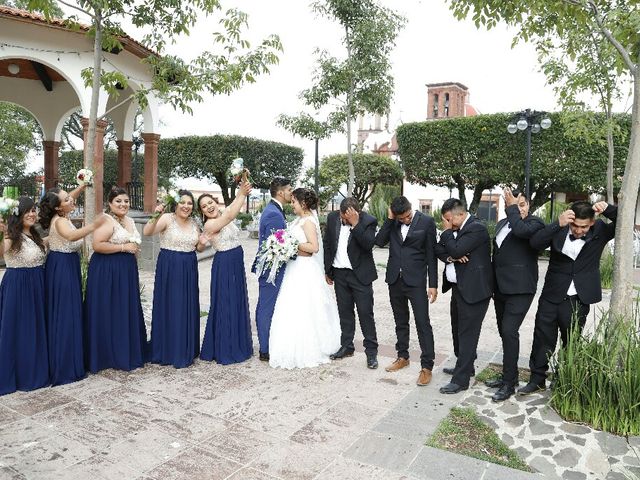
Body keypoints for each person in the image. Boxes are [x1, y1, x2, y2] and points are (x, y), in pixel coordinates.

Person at [519, 200, 617, 395]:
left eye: (583, 227)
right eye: (575, 226)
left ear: (592, 222)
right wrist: (558, 223)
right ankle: (537, 379)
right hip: (552, 293)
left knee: (571, 341)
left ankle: (563, 380)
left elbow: (625, 221)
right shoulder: (561, 227)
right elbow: (535, 243)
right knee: (542, 338)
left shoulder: (600, 230)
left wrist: (609, 209)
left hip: (579, 297)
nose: (578, 230)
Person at [269, 188, 341, 369]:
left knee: (305, 307)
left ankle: (307, 348)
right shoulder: (298, 220)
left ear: (303, 203)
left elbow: (314, 247)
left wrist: (290, 244)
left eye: (294, 202)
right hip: (294, 267)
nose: (291, 205)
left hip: (304, 268)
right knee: (291, 307)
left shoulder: (308, 221)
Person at [374, 196, 438, 386]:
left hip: (416, 281)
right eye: (401, 218)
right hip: (395, 279)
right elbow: (379, 241)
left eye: (407, 216)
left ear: (411, 209)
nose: (406, 220)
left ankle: (427, 366)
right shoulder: (394, 222)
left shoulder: (426, 222)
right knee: (400, 321)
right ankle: (403, 356)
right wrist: (390, 220)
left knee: (422, 323)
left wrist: (433, 284)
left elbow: (431, 254)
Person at [487, 189, 544, 402]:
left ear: (528, 206)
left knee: (510, 331)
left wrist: (513, 209)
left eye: (522, 204)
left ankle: (510, 384)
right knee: (504, 332)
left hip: (521, 289)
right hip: (500, 288)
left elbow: (520, 232)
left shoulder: (534, 224)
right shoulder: (502, 224)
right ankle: (507, 376)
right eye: (513, 204)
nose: (518, 208)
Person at [39, 185, 100, 385]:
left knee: (71, 311)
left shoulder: (61, 213)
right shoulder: (60, 222)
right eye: (67, 200)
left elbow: (66, 198)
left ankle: (71, 359)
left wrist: (82, 186)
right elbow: (73, 236)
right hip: (62, 269)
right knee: (65, 313)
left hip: (67, 265)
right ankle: (64, 366)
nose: (71, 200)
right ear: (58, 208)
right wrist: (94, 225)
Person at [84, 187, 147, 373]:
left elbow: (133, 244)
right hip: (107, 270)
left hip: (126, 271)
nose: (123, 204)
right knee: (107, 308)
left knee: (123, 308)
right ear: (110, 204)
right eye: (118, 201)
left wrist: (132, 252)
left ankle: (125, 349)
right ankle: (105, 354)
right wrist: (124, 248)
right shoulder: (106, 219)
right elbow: (97, 245)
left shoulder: (130, 220)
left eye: (126, 201)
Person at [144, 189, 206, 369]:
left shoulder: (195, 222)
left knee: (186, 306)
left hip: (189, 266)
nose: (186, 206)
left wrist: (202, 242)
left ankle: (185, 347)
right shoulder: (167, 218)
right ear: (176, 204)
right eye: (183, 202)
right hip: (169, 266)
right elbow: (147, 232)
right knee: (170, 305)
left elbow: (199, 248)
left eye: (189, 203)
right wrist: (156, 214)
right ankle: (168, 349)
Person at [435, 198, 492, 394]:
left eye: (450, 220)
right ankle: (465, 365)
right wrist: (452, 256)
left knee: (468, 335)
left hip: (475, 291)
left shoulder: (477, 228)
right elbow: (440, 249)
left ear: (460, 214)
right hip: (459, 288)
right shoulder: (456, 231)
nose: (448, 223)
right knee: (457, 330)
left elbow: (456, 247)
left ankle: (461, 381)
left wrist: (449, 236)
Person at [199, 180, 254, 365]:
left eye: (210, 203)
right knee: (225, 302)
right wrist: (242, 193)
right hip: (224, 263)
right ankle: (225, 347)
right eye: (204, 206)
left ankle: (238, 343)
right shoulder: (209, 225)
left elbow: (230, 210)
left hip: (236, 261)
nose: (208, 207)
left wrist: (242, 190)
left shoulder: (223, 213)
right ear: (202, 212)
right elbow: (230, 215)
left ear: (215, 202)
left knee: (236, 300)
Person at [0, 196, 49, 395]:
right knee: (19, 329)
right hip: (18, 286)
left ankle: (34, 369)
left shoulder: (35, 235)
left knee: (35, 327)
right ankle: (18, 374)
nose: (32, 214)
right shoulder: (11, 236)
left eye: (34, 210)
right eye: (27, 211)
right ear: (17, 214)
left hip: (37, 284)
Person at [324, 197, 379, 369]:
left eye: (348, 217)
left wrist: (355, 225)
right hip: (339, 274)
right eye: (343, 216)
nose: (343, 220)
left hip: (360, 275)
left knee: (365, 314)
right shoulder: (333, 218)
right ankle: (347, 346)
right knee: (345, 313)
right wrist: (328, 270)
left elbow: (368, 244)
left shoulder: (368, 221)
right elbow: (328, 244)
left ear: (357, 213)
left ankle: (371, 353)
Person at [252, 177, 292, 361]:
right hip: (272, 270)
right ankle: (265, 349)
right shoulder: (274, 214)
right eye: (289, 189)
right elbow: (276, 246)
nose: (291, 192)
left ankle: (267, 345)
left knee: (266, 307)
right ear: (281, 192)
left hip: (270, 269)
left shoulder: (273, 210)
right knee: (266, 308)